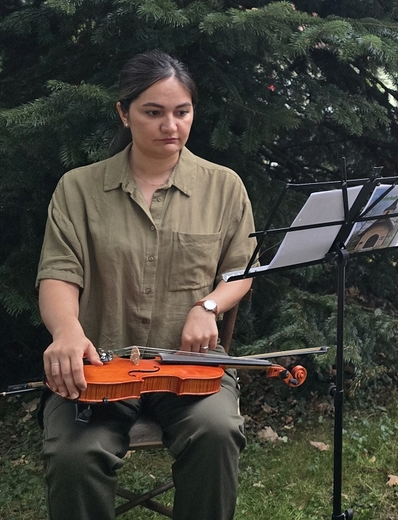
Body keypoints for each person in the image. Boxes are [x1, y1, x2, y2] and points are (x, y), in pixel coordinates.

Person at [36, 51, 256, 520]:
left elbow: (241, 271)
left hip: (190, 367)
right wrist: (67, 331)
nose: (170, 126)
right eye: (153, 112)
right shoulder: (78, 189)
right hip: (98, 368)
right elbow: (58, 273)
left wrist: (209, 306)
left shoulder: (225, 187)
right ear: (124, 112)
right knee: (74, 456)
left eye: (182, 112)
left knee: (216, 431)